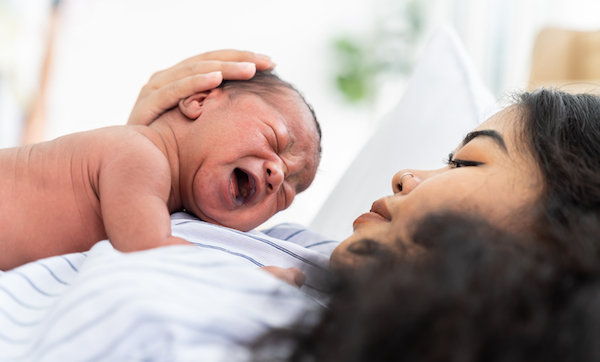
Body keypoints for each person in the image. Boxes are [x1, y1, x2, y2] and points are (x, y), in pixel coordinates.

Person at [0, 68, 322, 271]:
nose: (278, 176)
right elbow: (151, 253)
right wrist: (251, 278)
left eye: (286, 195)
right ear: (199, 101)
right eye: (276, 138)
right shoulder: (141, 155)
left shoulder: (164, 206)